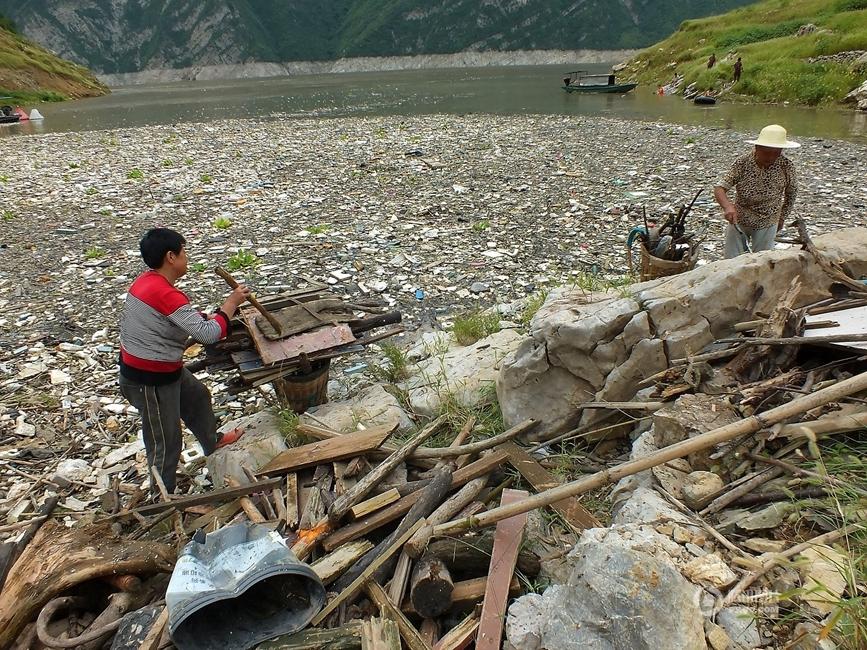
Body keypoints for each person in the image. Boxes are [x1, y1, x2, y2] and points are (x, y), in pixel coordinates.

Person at [119, 228, 251, 494]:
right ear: (171, 256)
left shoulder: (147, 282)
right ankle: (162, 498)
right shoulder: (165, 293)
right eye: (183, 251)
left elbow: (178, 318)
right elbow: (209, 335)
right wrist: (231, 303)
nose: (186, 257)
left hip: (162, 368)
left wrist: (205, 315)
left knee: (198, 396)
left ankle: (212, 441)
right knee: (166, 441)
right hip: (148, 379)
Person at [714, 124, 799, 258]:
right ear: (757, 148)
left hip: (768, 219)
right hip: (739, 217)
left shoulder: (786, 166)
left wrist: (782, 217)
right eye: (766, 152)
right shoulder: (743, 162)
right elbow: (720, 188)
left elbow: (791, 194)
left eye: (776, 153)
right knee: (731, 260)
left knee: (763, 260)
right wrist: (727, 207)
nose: (770, 158)